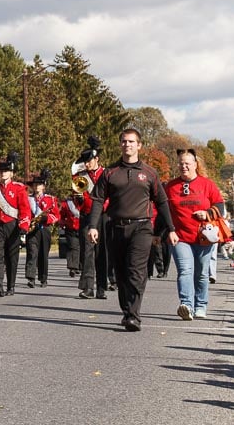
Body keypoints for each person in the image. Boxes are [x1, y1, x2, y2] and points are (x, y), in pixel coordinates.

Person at [85, 128, 172, 332]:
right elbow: (97, 199)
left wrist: (171, 228)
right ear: (120, 144)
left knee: (136, 270)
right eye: (124, 141)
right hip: (116, 227)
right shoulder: (110, 172)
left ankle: (134, 315)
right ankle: (127, 311)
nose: (127, 145)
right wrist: (93, 226)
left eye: (131, 142)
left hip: (142, 226)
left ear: (139, 145)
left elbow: (162, 201)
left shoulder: (149, 172)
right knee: (121, 273)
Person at [164, 149, 224, 320]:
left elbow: (220, 206)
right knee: (184, 270)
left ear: (195, 165)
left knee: (202, 273)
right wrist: (164, 231)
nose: (183, 166)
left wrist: (208, 214)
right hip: (180, 236)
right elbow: (163, 210)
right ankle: (187, 305)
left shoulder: (207, 184)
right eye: (181, 163)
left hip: (203, 237)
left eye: (187, 163)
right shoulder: (171, 186)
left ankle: (201, 305)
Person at [0, 153, 32, 297]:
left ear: (11, 173)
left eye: (5, 171)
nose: (2, 174)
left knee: (12, 257)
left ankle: (11, 285)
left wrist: (24, 226)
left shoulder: (19, 188)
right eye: (0, 171)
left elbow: (25, 209)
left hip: (13, 225)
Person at [75, 137, 114, 300]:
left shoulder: (107, 174)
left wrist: (103, 207)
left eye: (89, 160)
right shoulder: (80, 176)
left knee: (102, 251)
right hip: (87, 216)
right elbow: (78, 197)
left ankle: (102, 287)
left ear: (96, 159)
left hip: (104, 216)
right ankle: (88, 287)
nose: (87, 164)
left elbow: (111, 195)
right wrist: (79, 200)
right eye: (85, 161)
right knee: (87, 252)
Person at [25, 169, 59, 288]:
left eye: (39, 184)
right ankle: (31, 278)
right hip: (32, 229)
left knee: (43, 254)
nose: (36, 187)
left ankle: (43, 278)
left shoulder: (50, 199)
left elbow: (56, 216)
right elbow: (24, 213)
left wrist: (47, 219)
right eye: (35, 185)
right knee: (32, 252)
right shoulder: (28, 199)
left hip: (44, 229)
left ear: (43, 186)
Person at [59, 193, 82, 278]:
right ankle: (72, 267)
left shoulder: (86, 201)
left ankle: (80, 266)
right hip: (71, 228)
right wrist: (63, 223)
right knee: (73, 247)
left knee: (82, 248)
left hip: (84, 228)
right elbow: (61, 215)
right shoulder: (67, 203)